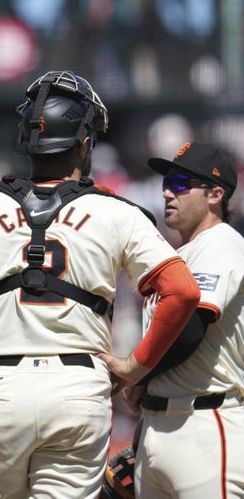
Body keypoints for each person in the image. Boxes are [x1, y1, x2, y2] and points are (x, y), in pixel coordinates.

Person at [0, 70, 201, 498]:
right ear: (84, 143)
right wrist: (134, 368)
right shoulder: (117, 211)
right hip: (77, 391)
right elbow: (182, 291)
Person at [129, 142, 243, 498]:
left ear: (216, 194)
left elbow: (190, 331)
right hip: (158, 423)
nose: (167, 191)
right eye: (167, 181)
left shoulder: (221, 242)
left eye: (180, 183)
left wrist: (134, 372)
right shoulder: (180, 255)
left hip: (206, 424)